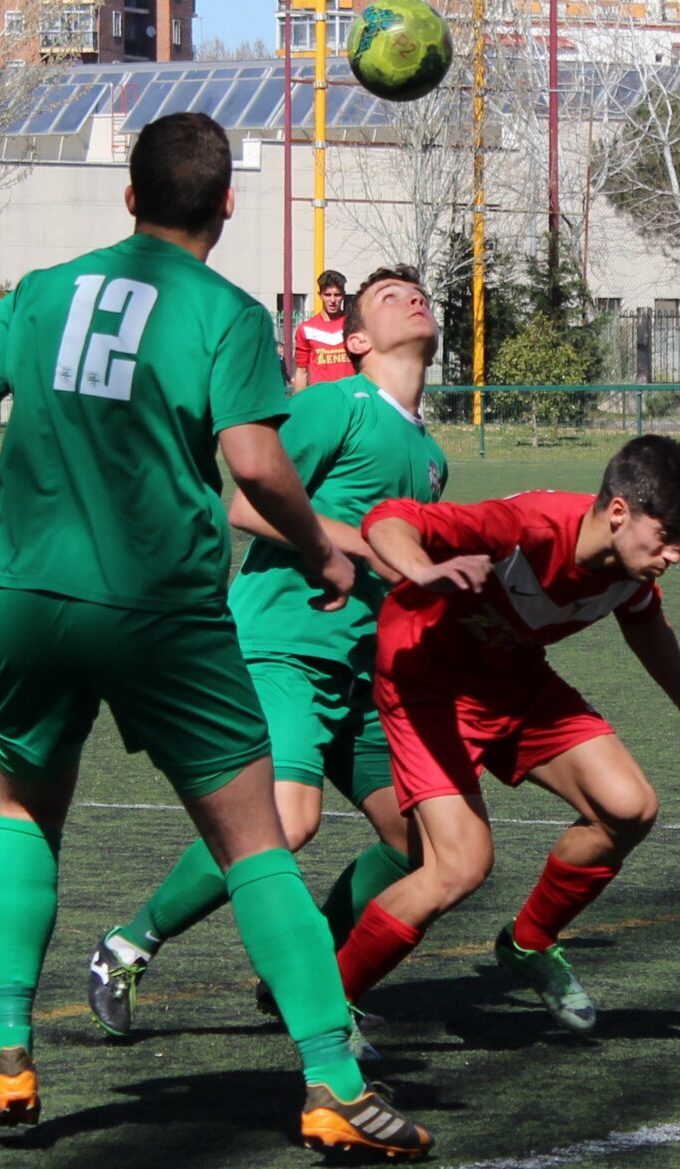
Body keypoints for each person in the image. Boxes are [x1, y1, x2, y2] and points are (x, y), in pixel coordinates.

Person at [0, 111, 432, 1158]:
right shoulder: (226, 312)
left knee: (23, 811)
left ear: (129, 193)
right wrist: (328, 552)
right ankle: (332, 1080)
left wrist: (9, 531)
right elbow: (252, 461)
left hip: (33, 596)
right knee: (256, 844)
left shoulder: (44, 287)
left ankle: (11, 1054)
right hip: (161, 606)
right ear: (228, 204)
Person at [86, 264, 446, 1052]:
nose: (412, 300)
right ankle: (125, 946)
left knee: (420, 844)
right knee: (287, 820)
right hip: (284, 645)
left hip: (364, 672)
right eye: (388, 298)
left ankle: (306, 977)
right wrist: (372, 551)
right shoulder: (333, 405)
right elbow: (247, 501)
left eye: (418, 294)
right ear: (354, 339)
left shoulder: (431, 455)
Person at [333, 435, 680, 1032]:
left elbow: (646, 624)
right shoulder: (524, 526)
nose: (676, 554)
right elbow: (387, 519)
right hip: (426, 680)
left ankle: (528, 944)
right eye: (667, 536)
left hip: (511, 679)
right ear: (617, 512)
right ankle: (326, 1008)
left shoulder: (628, 569)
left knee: (628, 808)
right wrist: (425, 572)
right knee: (459, 867)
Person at [291, 270, 351, 390]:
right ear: (320, 295)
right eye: (328, 295)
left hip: (349, 395)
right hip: (321, 396)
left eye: (337, 295)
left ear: (343, 295)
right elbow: (301, 371)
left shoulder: (354, 325)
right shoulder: (306, 329)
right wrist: (300, 404)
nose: (333, 300)